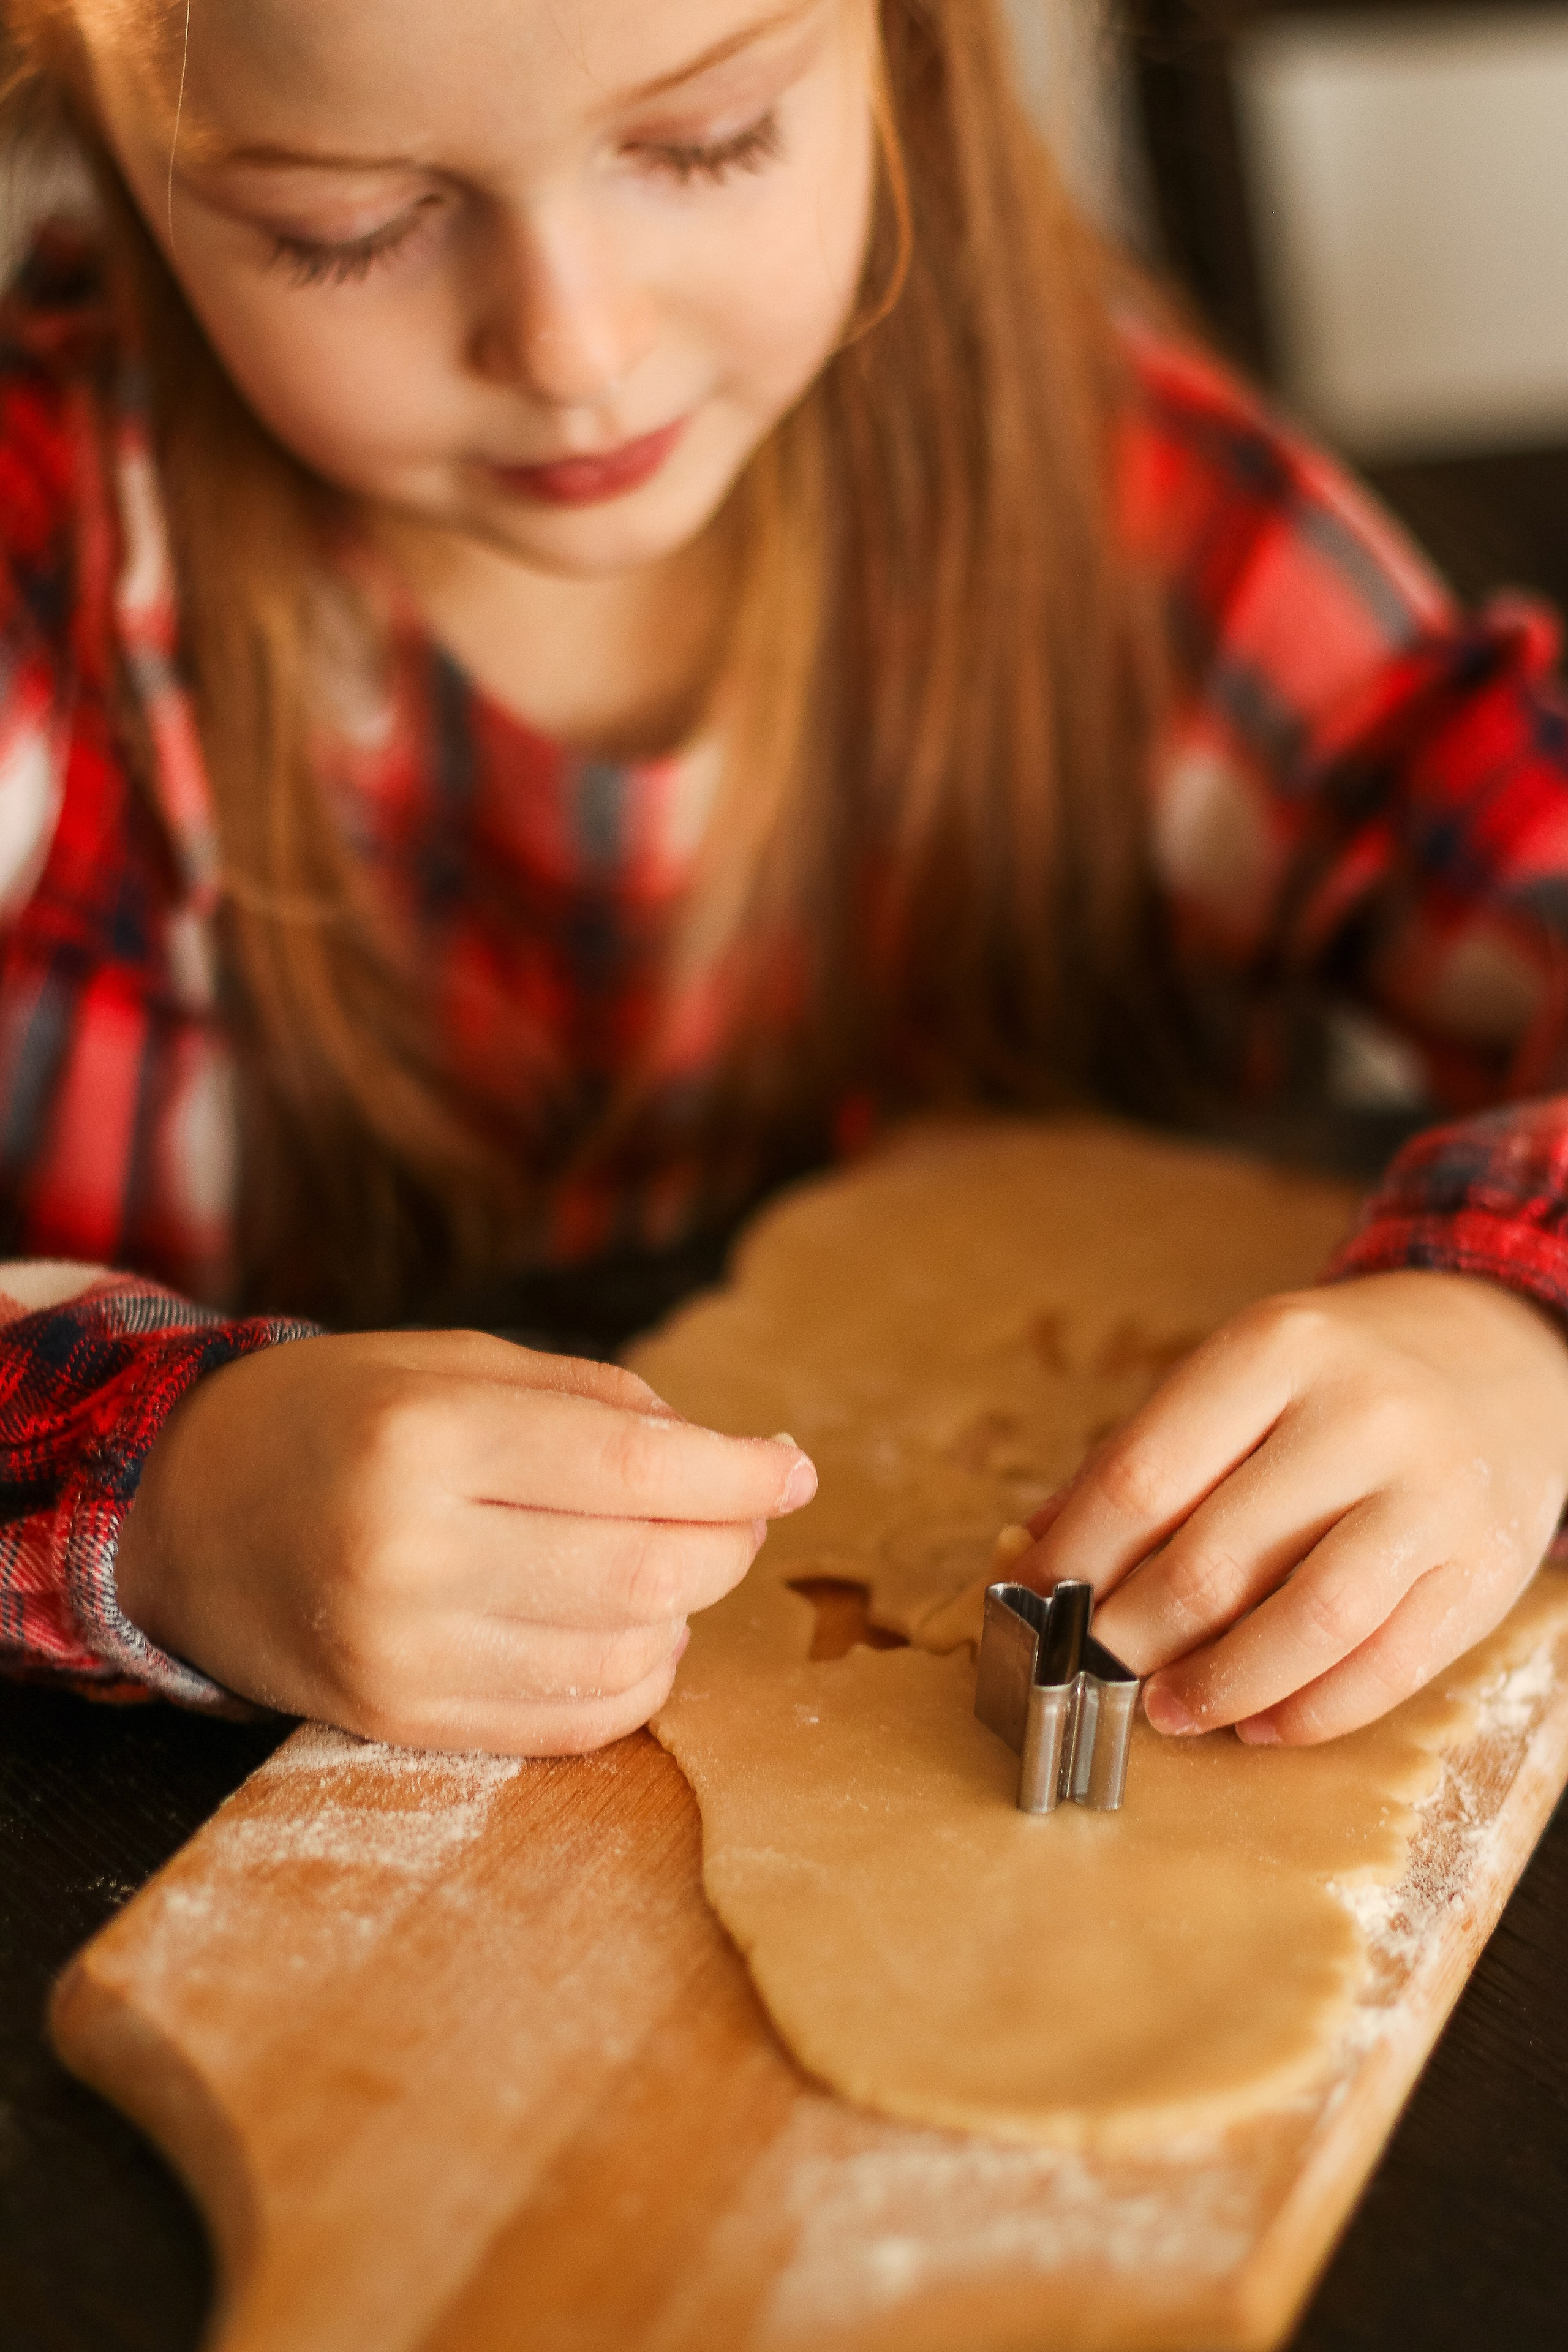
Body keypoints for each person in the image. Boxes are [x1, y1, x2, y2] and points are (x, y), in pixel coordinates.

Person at [2, 0, 1566, 1760]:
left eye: (706, 141)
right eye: (343, 227)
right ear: (106, 129)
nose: (575, 346)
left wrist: (1512, 1322)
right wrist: (170, 1494)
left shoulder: (1117, 498)